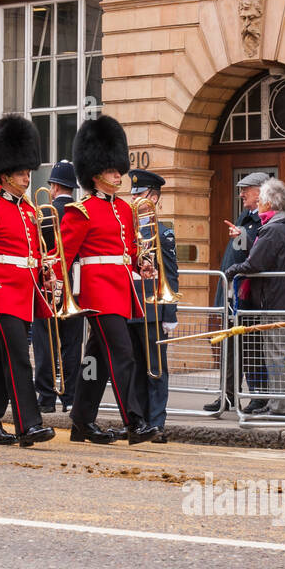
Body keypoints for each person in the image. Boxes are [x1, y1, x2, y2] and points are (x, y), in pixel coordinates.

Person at [58, 115, 161, 445]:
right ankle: (135, 421)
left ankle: (81, 421)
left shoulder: (124, 209)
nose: (120, 175)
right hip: (97, 293)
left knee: (96, 360)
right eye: (113, 170)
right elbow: (65, 255)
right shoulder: (81, 211)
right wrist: (61, 292)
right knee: (123, 354)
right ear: (95, 173)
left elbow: (128, 251)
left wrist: (142, 265)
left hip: (121, 289)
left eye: (120, 169)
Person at [0, 115, 55, 446]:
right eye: (21, 173)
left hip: (25, 292)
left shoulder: (31, 211)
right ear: (4, 174)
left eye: (28, 171)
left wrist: (44, 269)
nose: (26, 177)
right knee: (19, 356)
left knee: (3, 357)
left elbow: (33, 253)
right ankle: (28, 424)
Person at [226, 177, 285, 416]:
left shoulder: (274, 229)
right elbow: (256, 254)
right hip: (275, 298)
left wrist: (230, 272)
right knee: (272, 355)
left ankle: (279, 407)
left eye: (260, 200)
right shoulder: (275, 226)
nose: (258, 204)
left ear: (269, 203)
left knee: (276, 355)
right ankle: (275, 403)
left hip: (276, 300)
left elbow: (254, 262)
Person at [205, 171, 269, 411]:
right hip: (233, 294)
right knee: (229, 349)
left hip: (249, 297)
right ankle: (227, 395)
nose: (241, 194)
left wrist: (245, 237)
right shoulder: (245, 217)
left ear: (261, 191)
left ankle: (259, 396)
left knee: (251, 348)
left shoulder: (265, 218)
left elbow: (259, 255)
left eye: (247, 189)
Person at [127, 169, 179, 441]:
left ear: (154, 198)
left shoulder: (162, 232)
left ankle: (156, 422)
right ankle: (139, 422)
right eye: (133, 194)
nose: (134, 199)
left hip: (152, 309)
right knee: (134, 369)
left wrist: (170, 313)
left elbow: (170, 274)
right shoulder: (124, 227)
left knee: (156, 370)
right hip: (129, 306)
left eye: (141, 195)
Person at [32, 159, 82, 414]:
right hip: (74, 284)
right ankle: (70, 396)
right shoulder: (80, 212)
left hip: (49, 284)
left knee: (45, 341)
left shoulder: (46, 212)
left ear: (53, 187)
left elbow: (40, 250)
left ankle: (46, 396)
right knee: (72, 344)